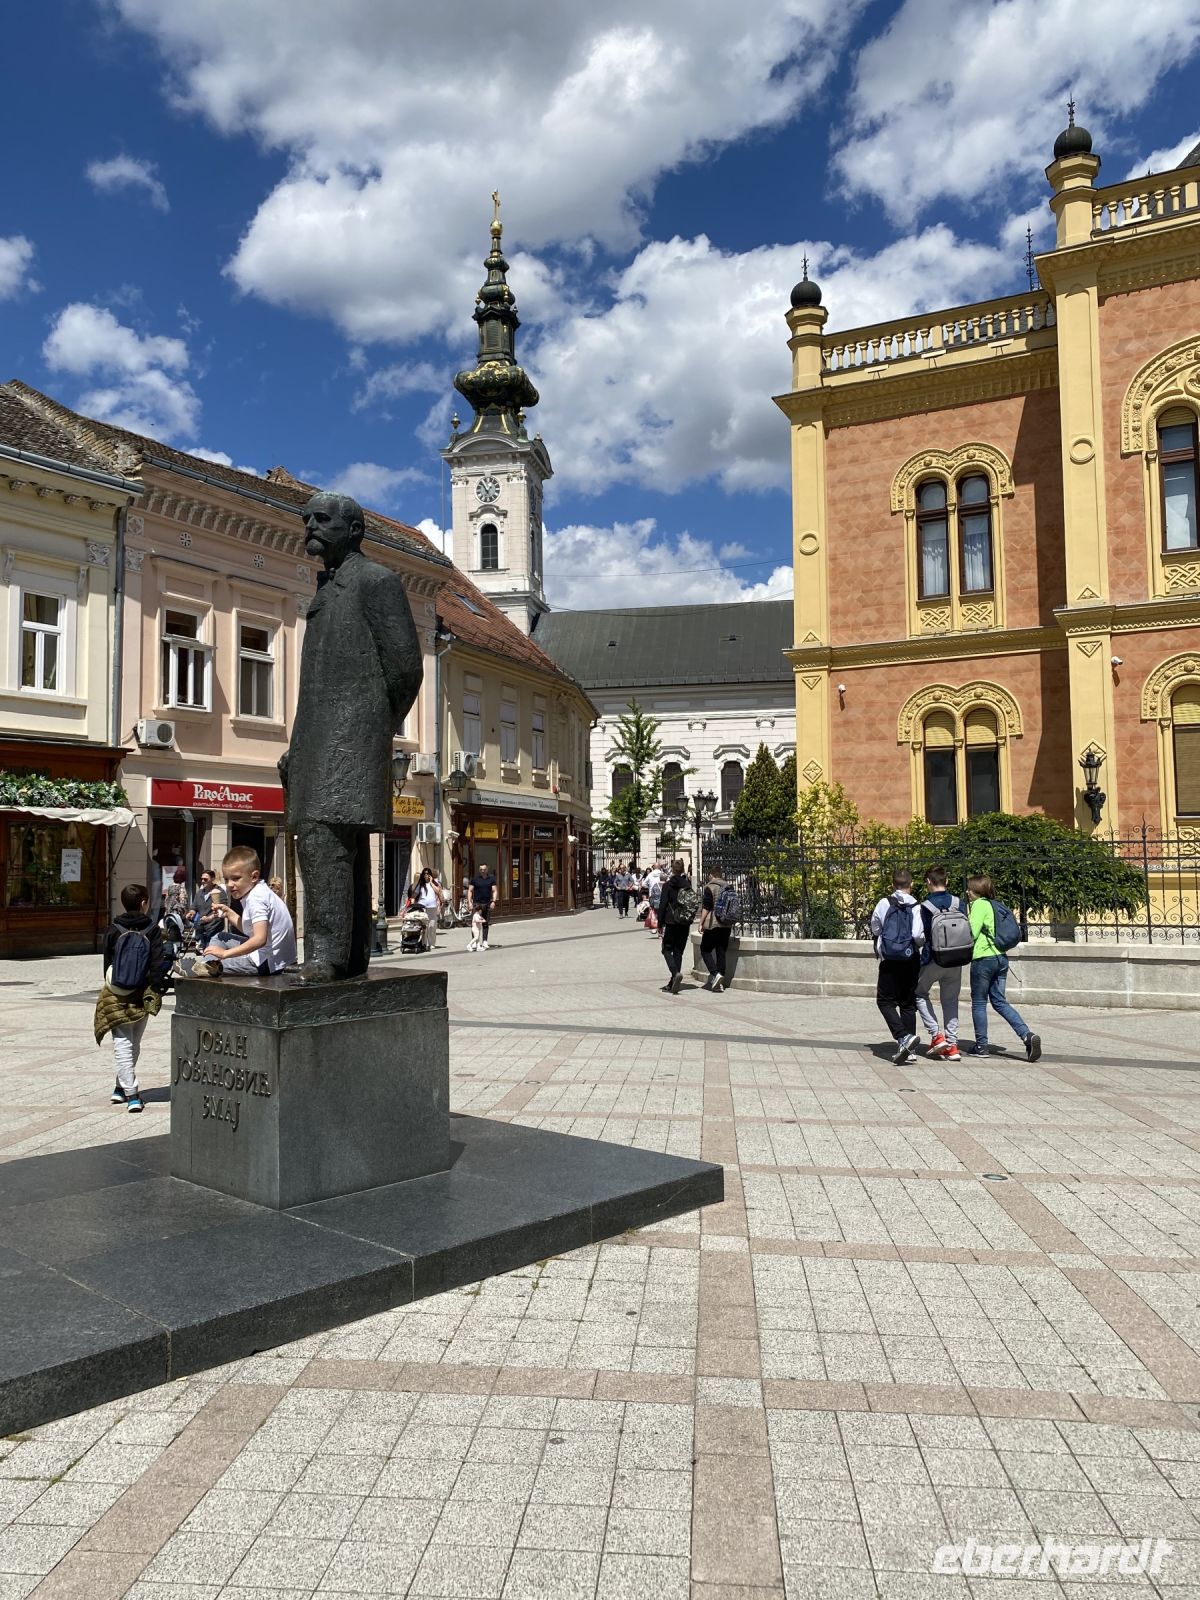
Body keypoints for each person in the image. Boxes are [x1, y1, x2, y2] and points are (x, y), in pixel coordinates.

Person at [279, 491, 422, 983]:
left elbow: (406, 668)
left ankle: (324, 955)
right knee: (340, 846)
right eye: (307, 519)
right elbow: (312, 689)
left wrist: (373, 730)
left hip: (351, 741)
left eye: (322, 519)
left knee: (323, 840)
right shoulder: (327, 590)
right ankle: (353, 953)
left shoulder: (375, 582)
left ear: (354, 530)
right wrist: (297, 750)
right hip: (319, 743)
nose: (311, 526)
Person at [95, 883, 165, 1113]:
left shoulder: (113, 928)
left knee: (123, 1044)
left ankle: (120, 1088)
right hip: (141, 994)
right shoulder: (152, 930)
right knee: (133, 1044)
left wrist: (112, 984)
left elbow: (107, 962)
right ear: (144, 903)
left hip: (116, 993)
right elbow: (158, 965)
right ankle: (132, 1094)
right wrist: (155, 989)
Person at [190, 845, 297, 976]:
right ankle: (210, 965)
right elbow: (249, 929)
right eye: (227, 879)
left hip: (268, 962)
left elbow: (259, 939)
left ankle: (209, 967)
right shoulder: (259, 891)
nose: (229, 884)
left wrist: (225, 954)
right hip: (273, 956)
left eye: (236, 878)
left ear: (254, 876)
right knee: (221, 937)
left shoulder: (257, 898)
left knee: (215, 964)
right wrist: (228, 913)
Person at [967, 875, 1041, 1061]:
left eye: (970, 889)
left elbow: (972, 933)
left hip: (983, 959)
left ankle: (981, 1046)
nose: (967, 892)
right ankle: (1026, 1035)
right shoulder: (995, 904)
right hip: (1001, 958)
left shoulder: (979, 905)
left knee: (978, 1003)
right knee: (999, 1001)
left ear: (977, 890)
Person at [869, 869, 925, 1064]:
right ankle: (910, 1049)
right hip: (910, 959)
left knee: (885, 1001)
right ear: (911, 884)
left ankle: (903, 1037)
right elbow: (918, 935)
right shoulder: (916, 905)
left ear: (893, 885)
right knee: (908, 1004)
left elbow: (875, 927)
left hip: (889, 959)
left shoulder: (884, 903)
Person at [916, 866, 964, 1061]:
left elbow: (920, 935)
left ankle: (937, 1036)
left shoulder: (925, 906)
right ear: (947, 881)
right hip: (957, 958)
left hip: (933, 958)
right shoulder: (959, 903)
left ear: (928, 882)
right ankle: (953, 1046)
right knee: (950, 1001)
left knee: (919, 993)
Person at [657, 857, 694, 994]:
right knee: (678, 951)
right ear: (683, 869)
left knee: (666, 949)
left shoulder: (667, 885)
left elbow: (662, 905)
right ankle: (673, 981)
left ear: (672, 869)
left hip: (671, 921)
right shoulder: (687, 884)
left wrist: (659, 923)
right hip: (684, 922)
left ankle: (675, 973)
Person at [698, 868, 733, 992]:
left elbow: (706, 907)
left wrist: (701, 923)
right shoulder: (728, 887)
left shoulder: (710, 887)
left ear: (712, 875)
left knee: (705, 949)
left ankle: (715, 973)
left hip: (714, 923)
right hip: (726, 923)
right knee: (721, 950)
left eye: (709, 875)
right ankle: (720, 982)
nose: (708, 877)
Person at [412, 866, 443, 949]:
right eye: (425, 874)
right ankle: (424, 943)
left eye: (428, 874)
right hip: (422, 907)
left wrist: (431, 882)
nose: (426, 875)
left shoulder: (434, 883)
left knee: (432, 926)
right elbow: (415, 894)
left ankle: (432, 943)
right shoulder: (420, 884)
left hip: (432, 907)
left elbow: (438, 891)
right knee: (424, 926)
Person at [470, 861, 495, 949]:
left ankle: (484, 941)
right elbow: (470, 890)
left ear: (487, 870)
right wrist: (469, 902)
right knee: (474, 923)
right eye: (481, 870)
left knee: (485, 923)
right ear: (479, 870)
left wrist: (493, 901)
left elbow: (494, 890)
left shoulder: (491, 879)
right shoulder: (475, 879)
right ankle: (474, 942)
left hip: (487, 903)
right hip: (477, 904)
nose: (482, 871)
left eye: (484, 869)